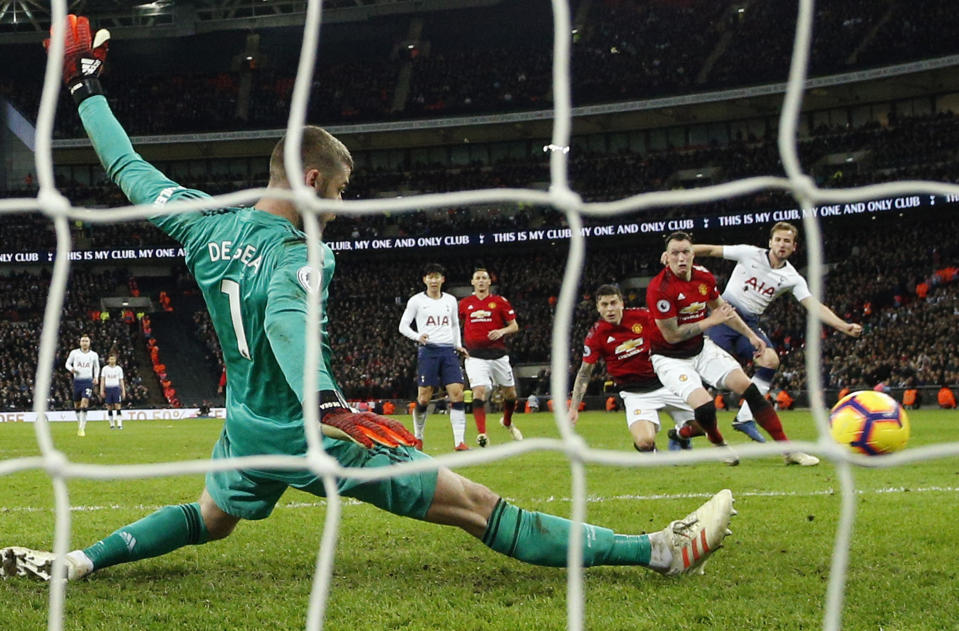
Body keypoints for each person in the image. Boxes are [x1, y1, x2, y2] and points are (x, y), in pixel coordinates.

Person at [0, 16, 736, 585]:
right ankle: (657, 552)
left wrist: (84, 88)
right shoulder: (303, 252)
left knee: (211, 516)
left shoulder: (201, 222)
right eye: (343, 191)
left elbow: (126, 164)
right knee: (478, 506)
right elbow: (290, 321)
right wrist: (327, 404)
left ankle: (78, 563)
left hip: (250, 424)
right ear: (314, 182)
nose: (342, 207)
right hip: (312, 431)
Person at [647, 231, 819, 466]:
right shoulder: (659, 288)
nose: (680, 258)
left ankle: (788, 451)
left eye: (686, 252)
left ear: (692, 254)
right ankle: (718, 443)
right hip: (670, 358)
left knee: (749, 389)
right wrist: (710, 321)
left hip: (700, 349)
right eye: (674, 253)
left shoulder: (704, 278)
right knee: (706, 406)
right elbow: (672, 334)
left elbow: (724, 310)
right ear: (666, 256)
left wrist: (750, 336)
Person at [693, 222, 862, 442]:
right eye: (779, 240)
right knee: (701, 376)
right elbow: (711, 250)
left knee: (771, 361)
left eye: (787, 241)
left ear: (794, 247)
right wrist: (679, 253)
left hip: (750, 324)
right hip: (723, 318)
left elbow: (813, 305)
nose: (782, 244)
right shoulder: (749, 253)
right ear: (770, 242)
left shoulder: (792, 278)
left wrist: (843, 326)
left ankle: (745, 418)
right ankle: (684, 428)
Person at [569, 285, 695, 453]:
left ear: (622, 303)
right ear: (598, 308)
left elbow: (672, 327)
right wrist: (574, 408)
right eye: (605, 305)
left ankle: (680, 435)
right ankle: (656, 456)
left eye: (613, 303)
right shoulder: (596, 335)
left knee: (705, 423)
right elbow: (584, 373)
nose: (610, 309)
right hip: (635, 394)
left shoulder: (642, 316)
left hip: (666, 384)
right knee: (645, 442)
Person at [398, 263, 470, 450]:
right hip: (428, 351)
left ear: (442, 280)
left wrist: (458, 346)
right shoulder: (416, 301)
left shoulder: (451, 301)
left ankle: (459, 441)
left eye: (437, 276)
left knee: (457, 393)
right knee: (423, 398)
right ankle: (418, 436)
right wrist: (417, 336)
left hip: (448, 351)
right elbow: (403, 326)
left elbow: (454, 325)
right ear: (425, 280)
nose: (433, 280)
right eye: (430, 277)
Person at [458, 266, 523, 447]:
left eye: (483, 278)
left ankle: (507, 422)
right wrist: (459, 344)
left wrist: (501, 331)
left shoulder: (500, 302)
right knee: (479, 392)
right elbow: (456, 325)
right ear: (472, 282)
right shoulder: (464, 304)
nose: (480, 281)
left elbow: (514, 326)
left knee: (510, 395)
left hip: (498, 356)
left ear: (489, 282)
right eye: (477, 277)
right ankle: (482, 434)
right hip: (475, 357)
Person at [65, 333, 100, 437]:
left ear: (89, 343)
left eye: (86, 341)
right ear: (80, 342)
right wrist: (71, 369)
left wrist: (96, 377)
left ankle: (82, 428)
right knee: (77, 405)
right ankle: (79, 424)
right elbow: (67, 363)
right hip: (77, 382)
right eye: (83, 341)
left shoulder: (93, 355)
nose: (84, 343)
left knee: (84, 403)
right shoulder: (74, 353)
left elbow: (96, 367)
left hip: (87, 382)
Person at [99, 353, 126, 429]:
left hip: (116, 389)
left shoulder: (119, 369)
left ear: (116, 360)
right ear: (108, 360)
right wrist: (101, 390)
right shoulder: (105, 369)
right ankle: (112, 424)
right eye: (111, 359)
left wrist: (123, 391)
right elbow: (103, 380)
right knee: (109, 407)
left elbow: (121, 381)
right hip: (108, 389)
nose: (112, 360)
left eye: (113, 359)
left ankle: (120, 424)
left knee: (118, 406)